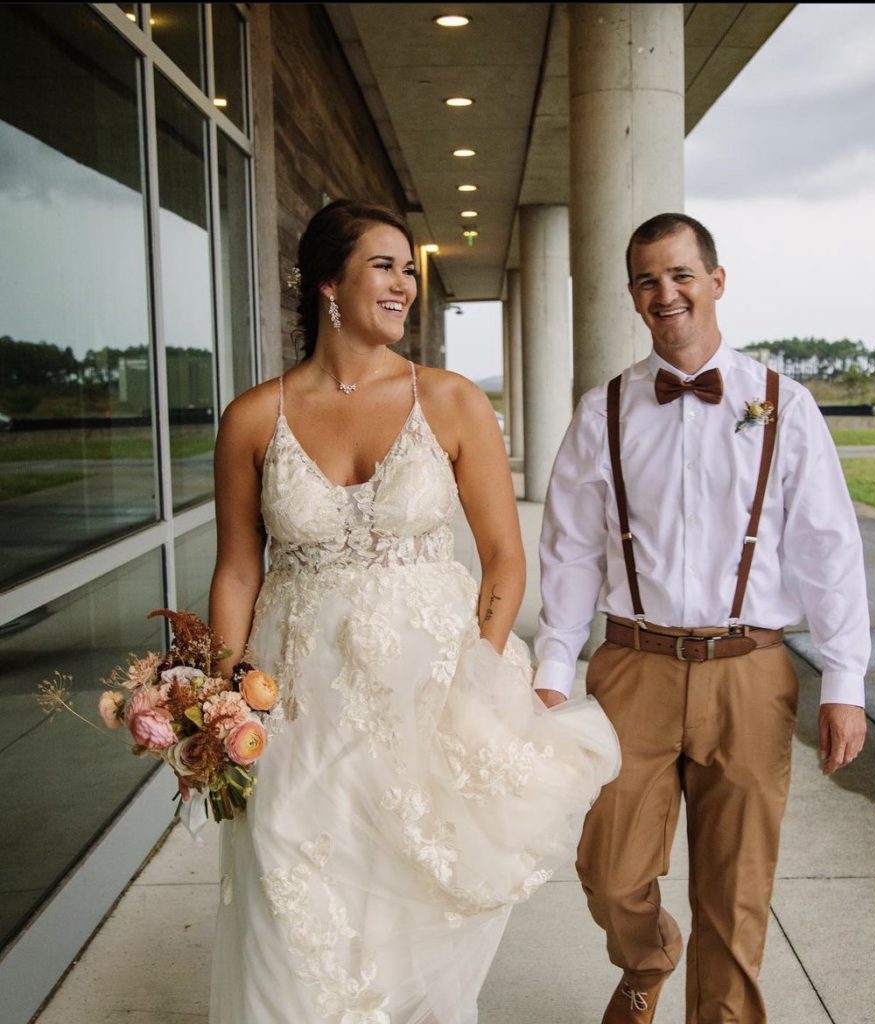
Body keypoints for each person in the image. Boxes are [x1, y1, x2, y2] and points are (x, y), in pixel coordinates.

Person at [207, 198, 619, 1023]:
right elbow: (237, 571)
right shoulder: (254, 417)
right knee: (292, 902)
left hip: (428, 702)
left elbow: (505, 556)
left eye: (408, 270)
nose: (404, 285)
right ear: (329, 282)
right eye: (383, 266)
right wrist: (221, 698)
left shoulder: (453, 401)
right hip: (296, 707)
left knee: (409, 909)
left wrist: (479, 671)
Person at [533, 212, 870, 1024]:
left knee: (737, 889)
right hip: (632, 667)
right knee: (609, 868)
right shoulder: (602, 411)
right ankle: (648, 955)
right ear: (632, 296)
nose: (666, 292)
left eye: (681, 274)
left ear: (716, 281)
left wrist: (845, 678)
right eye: (648, 280)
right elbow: (571, 550)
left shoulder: (781, 404)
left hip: (750, 669)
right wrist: (551, 669)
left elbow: (828, 544)